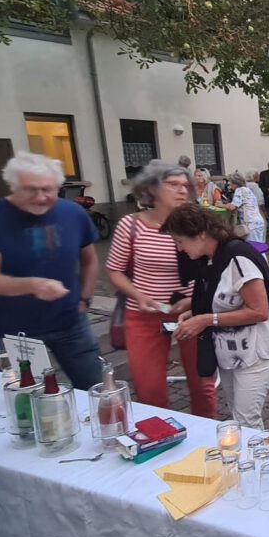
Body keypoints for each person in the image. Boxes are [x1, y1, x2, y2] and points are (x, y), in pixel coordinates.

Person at [0, 151, 103, 388]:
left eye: (48, 190)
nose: (40, 197)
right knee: (28, 399)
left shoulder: (73, 213)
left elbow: (89, 261)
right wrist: (33, 285)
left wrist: (85, 299)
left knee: (96, 389)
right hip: (13, 332)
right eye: (30, 189)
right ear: (13, 186)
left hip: (71, 323)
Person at [106, 161, 217, 418]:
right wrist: (138, 295)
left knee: (203, 385)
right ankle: (159, 439)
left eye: (184, 185)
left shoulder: (199, 223)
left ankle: (208, 441)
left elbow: (216, 269)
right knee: (149, 389)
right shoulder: (131, 226)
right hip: (145, 315)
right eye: (172, 184)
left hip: (192, 314)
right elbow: (114, 270)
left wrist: (194, 299)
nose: (181, 190)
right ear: (152, 188)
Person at [162, 205, 269, 429]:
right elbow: (223, 297)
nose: (179, 249)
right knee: (239, 417)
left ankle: (256, 461)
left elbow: (259, 311)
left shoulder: (237, 258)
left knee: (246, 421)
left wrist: (205, 320)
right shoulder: (212, 257)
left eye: (180, 241)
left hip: (255, 353)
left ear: (201, 234)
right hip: (231, 354)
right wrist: (195, 309)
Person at [222, 172, 266, 243]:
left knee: (253, 246)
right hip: (257, 222)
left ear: (235, 183)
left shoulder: (239, 190)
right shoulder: (247, 190)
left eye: (230, 182)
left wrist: (220, 205)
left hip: (251, 223)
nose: (229, 184)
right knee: (259, 246)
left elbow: (232, 207)